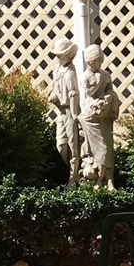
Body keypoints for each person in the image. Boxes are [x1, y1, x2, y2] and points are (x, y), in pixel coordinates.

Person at [78, 44, 118, 189]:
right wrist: (99, 81)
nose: (96, 64)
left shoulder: (106, 74)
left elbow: (111, 91)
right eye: (94, 62)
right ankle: (98, 180)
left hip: (104, 115)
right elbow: (89, 93)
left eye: (98, 61)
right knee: (99, 149)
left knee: (107, 148)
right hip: (91, 115)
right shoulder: (85, 76)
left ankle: (109, 181)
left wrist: (108, 98)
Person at [48, 38, 81, 185]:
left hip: (69, 112)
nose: (58, 57)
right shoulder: (57, 71)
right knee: (61, 145)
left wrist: (74, 115)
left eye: (60, 54)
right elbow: (56, 88)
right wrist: (53, 95)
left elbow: (74, 93)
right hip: (60, 112)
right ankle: (71, 171)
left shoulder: (70, 73)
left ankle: (73, 179)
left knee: (73, 146)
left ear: (68, 55)